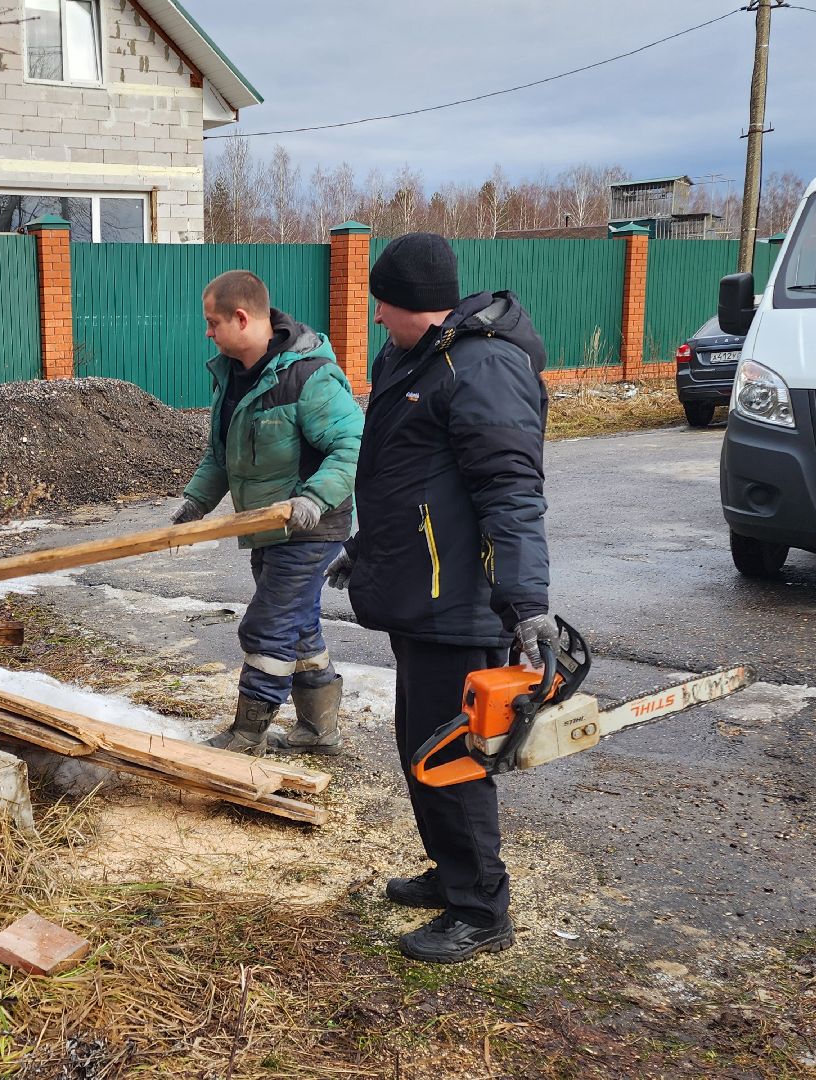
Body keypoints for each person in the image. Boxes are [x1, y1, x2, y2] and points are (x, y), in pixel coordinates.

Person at [326, 232, 555, 963]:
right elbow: (408, 480)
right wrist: (365, 550)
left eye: (382, 306)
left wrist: (526, 602)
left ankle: (481, 909)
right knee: (416, 746)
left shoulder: (481, 367)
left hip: (459, 601)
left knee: (449, 759)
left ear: (408, 304)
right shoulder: (414, 357)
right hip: (418, 591)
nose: (377, 320)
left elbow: (511, 493)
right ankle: (450, 871)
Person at [173, 270, 364, 757]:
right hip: (265, 528)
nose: (208, 332)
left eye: (212, 322)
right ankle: (319, 731)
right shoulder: (232, 377)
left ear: (241, 317)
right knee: (299, 626)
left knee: (268, 625)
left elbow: (353, 445)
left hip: (311, 528)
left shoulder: (308, 375)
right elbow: (221, 455)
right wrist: (197, 502)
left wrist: (314, 500)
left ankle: (247, 734)